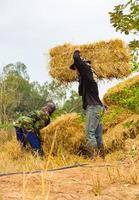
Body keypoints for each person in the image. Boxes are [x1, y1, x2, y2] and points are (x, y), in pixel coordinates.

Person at [70, 50, 105, 158]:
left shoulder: (86, 70)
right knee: (97, 134)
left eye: (76, 68)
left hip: (93, 107)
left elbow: (76, 58)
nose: (76, 70)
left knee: (89, 133)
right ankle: (101, 157)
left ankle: (94, 157)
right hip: (98, 107)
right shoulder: (89, 76)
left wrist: (76, 51)